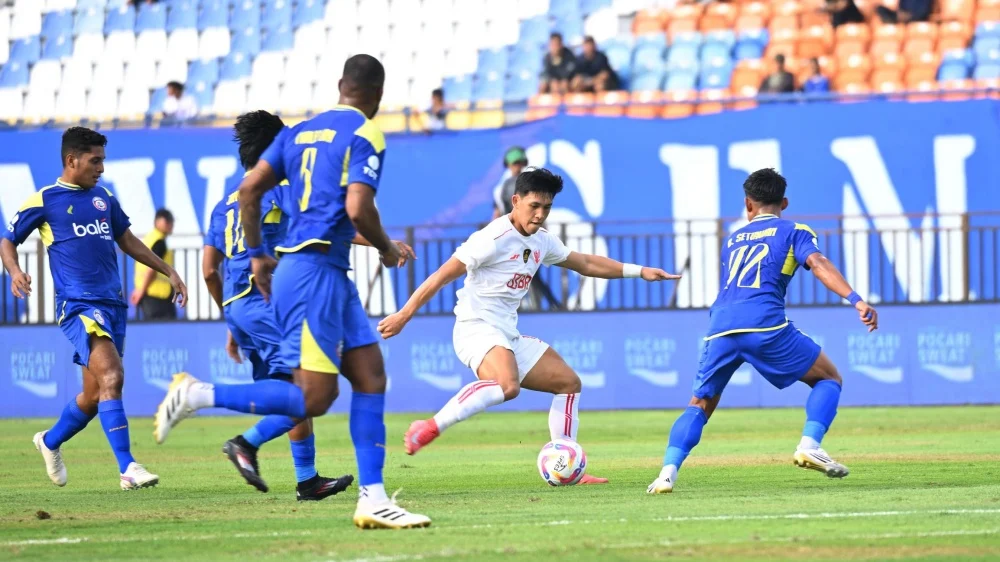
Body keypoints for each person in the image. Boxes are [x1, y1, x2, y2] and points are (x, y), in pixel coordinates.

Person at [155, 55, 430, 530]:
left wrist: (259, 254)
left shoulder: (297, 134)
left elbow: (247, 191)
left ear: (340, 85)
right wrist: (385, 248)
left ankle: (374, 497)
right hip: (312, 273)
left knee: (370, 376)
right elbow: (359, 206)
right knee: (314, 398)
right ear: (378, 95)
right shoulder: (366, 133)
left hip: (322, 272)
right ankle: (198, 393)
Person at [377, 168, 681, 483]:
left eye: (546, 208)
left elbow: (586, 263)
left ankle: (566, 467)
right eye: (534, 206)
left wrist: (640, 270)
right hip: (475, 327)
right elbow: (441, 275)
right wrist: (404, 314)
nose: (539, 215)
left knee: (568, 383)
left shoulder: (541, 240)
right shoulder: (491, 238)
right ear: (516, 200)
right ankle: (429, 427)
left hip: (507, 334)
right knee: (508, 386)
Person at [646, 168, 878, 495]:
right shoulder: (794, 230)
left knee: (699, 403)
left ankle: (666, 474)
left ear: (748, 205)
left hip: (720, 326)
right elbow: (819, 263)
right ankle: (810, 444)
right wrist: (855, 299)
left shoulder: (733, 239)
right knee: (828, 378)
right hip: (763, 323)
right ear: (784, 201)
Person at [180, 110, 355, 501]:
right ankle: (245, 441)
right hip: (268, 304)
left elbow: (210, 270)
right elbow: (320, 223)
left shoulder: (223, 204)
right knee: (313, 386)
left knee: (289, 388)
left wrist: (233, 321)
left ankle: (308, 481)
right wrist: (381, 243)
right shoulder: (275, 186)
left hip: (240, 307)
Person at [0, 127, 187, 490]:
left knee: (93, 395)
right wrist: (16, 270)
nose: (101, 167)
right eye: (95, 160)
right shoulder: (45, 199)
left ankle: (49, 441)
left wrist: (168, 270)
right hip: (78, 303)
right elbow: (8, 240)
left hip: (112, 304)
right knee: (113, 376)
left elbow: (128, 240)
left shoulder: (103, 198)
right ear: (72, 160)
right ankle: (128, 468)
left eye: (102, 159)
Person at [131, 208, 177, 320]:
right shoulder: (159, 242)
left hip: (148, 294)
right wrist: (141, 291)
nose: (171, 225)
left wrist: (139, 290)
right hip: (158, 296)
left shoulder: (149, 239)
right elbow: (152, 268)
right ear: (160, 222)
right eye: (169, 221)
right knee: (166, 331)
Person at [492, 146, 528, 220]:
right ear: (508, 165)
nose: (517, 166)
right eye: (515, 163)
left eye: (519, 163)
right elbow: (497, 211)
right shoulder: (501, 187)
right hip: (509, 223)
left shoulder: (529, 181)